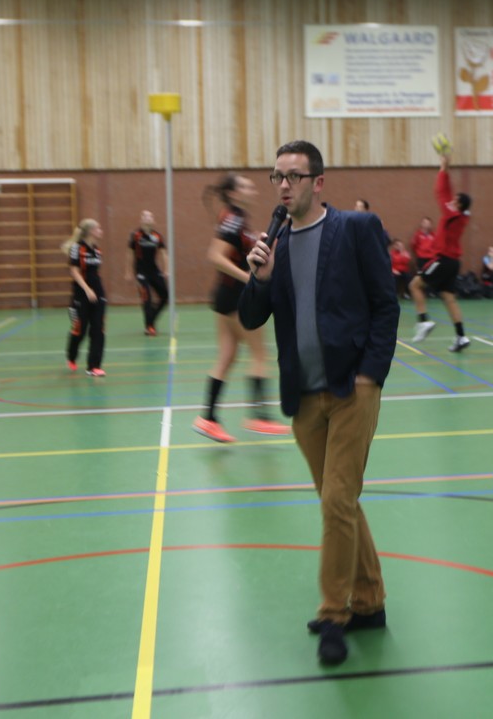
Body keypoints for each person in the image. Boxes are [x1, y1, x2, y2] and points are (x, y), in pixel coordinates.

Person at [239, 139, 400, 666]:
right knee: (341, 502)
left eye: (294, 176)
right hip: (304, 396)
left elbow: (385, 305)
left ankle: (334, 615)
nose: (284, 185)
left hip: (352, 389)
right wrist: (259, 277)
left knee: (335, 500)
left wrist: (371, 375)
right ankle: (370, 602)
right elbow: (250, 317)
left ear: (318, 182)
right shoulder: (277, 243)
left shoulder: (355, 229)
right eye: (277, 176)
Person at [195, 174, 289, 442]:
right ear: (234, 193)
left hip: (225, 296)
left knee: (227, 355)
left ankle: (208, 418)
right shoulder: (233, 218)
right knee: (259, 353)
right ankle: (259, 416)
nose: (252, 190)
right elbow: (215, 256)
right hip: (235, 297)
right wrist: (247, 278)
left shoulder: (236, 218)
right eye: (246, 186)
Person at [409, 146, 472, 351]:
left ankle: (423, 321)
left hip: (443, 260)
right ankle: (461, 336)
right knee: (448, 297)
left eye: (455, 201)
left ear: (459, 205)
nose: (451, 201)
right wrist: (446, 168)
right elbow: (448, 194)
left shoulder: (452, 215)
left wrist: (443, 169)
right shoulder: (461, 216)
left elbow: (441, 192)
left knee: (414, 285)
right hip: (453, 263)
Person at [63, 219, 106, 377]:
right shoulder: (77, 248)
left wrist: (98, 291)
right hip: (81, 296)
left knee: (98, 330)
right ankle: (71, 356)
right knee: (80, 330)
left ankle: (94, 366)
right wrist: (87, 289)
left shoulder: (97, 250)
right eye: (98, 228)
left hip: (98, 295)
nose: (100, 231)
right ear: (91, 231)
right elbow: (74, 271)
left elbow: (94, 272)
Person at [128, 210, 168, 336]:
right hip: (141, 272)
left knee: (165, 296)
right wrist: (128, 271)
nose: (147, 218)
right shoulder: (136, 235)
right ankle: (149, 327)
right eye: (144, 216)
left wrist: (167, 269)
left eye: (150, 216)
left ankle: (151, 319)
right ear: (141, 220)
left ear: (153, 220)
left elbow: (164, 253)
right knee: (147, 298)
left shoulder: (157, 236)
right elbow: (129, 253)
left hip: (154, 271)